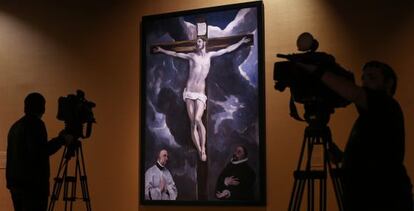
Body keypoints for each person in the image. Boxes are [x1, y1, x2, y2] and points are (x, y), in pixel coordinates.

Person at [300, 59, 413, 210]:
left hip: (383, 198)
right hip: (368, 196)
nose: (365, 83)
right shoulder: (370, 116)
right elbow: (375, 153)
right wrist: (343, 157)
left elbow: (355, 93)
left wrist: (314, 69)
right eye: (363, 78)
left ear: (389, 83)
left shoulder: (386, 104)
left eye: (372, 78)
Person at [153, 36, 251, 162]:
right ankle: (200, 150)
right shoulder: (192, 56)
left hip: (200, 93)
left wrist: (241, 41)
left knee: (198, 119)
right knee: (193, 122)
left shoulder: (210, 55)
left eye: (199, 41)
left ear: (204, 43)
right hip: (189, 92)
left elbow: (227, 49)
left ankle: (203, 148)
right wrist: (161, 50)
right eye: (196, 41)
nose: (197, 43)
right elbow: (176, 54)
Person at [6, 92, 72, 211]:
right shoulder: (36, 124)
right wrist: (62, 140)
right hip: (33, 188)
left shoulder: (15, 126)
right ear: (42, 107)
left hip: (15, 185)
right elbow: (40, 152)